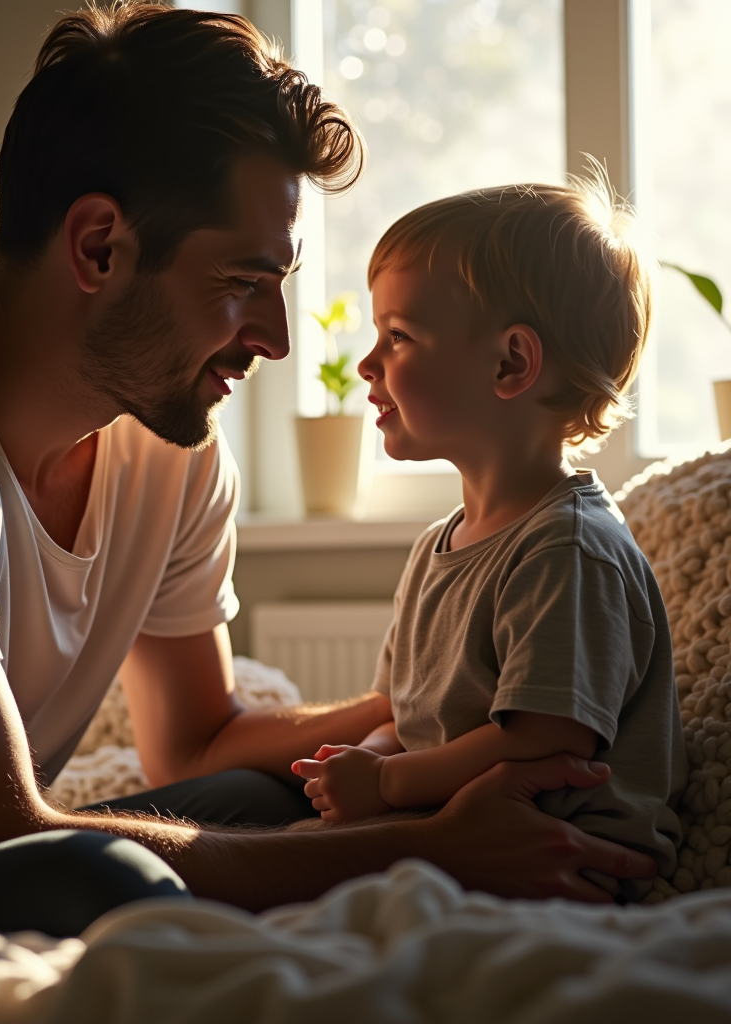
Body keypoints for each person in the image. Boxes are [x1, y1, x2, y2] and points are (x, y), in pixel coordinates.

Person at [0, 4, 658, 1013]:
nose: (279, 339)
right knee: (106, 879)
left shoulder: (169, 446)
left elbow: (197, 745)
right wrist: (424, 847)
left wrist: (414, 718)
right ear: (99, 246)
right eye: (245, 282)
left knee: (276, 794)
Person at [292, 178, 688, 902]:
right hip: (442, 840)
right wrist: (364, 757)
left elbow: (546, 741)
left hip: (552, 865)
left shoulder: (567, 550)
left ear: (511, 364)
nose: (367, 364)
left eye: (399, 337)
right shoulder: (436, 549)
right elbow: (410, 719)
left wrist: (384, 781)